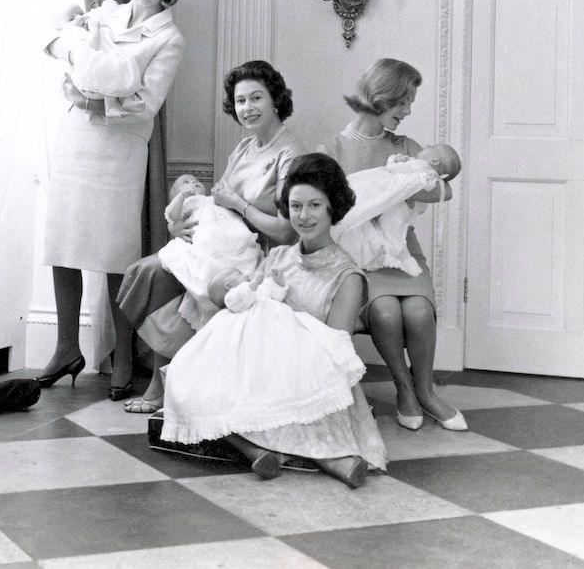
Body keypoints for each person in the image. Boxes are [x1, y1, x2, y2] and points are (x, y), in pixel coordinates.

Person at [163, 153, 386, 488]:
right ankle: (256, 450)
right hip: (264, 364)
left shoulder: (348, 276)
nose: (304, 216)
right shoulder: (279, 256)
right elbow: (249, 307)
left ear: (332, 208)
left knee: (251, 401)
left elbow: (336, 352)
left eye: (314, 205)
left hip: (314, 376)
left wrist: (280, 324)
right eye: (296, 206)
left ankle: (324, 456)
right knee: (186, 379)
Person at [39, 0, 184, 401]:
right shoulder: (105, 15)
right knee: (63, 245)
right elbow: (57, 43)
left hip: (120, 148)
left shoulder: (169, 39)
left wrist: (90, 99)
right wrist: (74, 50)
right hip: (76, 141)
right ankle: (66, 348)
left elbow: (146, 103)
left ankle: (123, 356)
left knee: (116, 256)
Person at [118, 59, 303, 413]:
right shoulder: (245, 147)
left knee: (161, 276)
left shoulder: (289, 153)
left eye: (255, 98)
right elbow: (216, 204)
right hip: (222, 244)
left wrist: (239, 204)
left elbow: (286, 230)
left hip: (259, 257)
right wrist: (179, 225)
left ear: (276, 100)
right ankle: (167, 383)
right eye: (240, 101)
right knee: (148, 271)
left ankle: (167, 386)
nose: (246, 108)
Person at [319, 58, 467, 432]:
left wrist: (401, 185)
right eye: (402, 102)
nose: (408, 110)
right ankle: (404, 390)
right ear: (380, 97)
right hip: (360, 256)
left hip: (401, 251)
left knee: (418, 312)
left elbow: (443, 188)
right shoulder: (332, 148)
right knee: (385, 312)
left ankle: (426, 393)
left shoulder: (406, 147)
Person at [335, 143, 461, 278]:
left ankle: (379, 249)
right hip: (398, 204)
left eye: (431, 147)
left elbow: (394, 170)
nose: (427, 146)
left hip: (396, 199)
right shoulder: (425, 173)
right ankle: (383, 248)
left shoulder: (421, 167)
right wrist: (397, 160)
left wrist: (395, 161)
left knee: (379, 220)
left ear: (435, 160)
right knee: (389, 228)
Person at [156, 172, 261, 329]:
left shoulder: (213, 199)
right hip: (208, 232)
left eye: (195, 180)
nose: (193, 182)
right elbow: (172, 215)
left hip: (230, 230)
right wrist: (183, 196)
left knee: (240, 243)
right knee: (208, 247)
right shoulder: (189, 202)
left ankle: (241, 278)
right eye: (185, 182)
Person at [46, 0, 147, 118]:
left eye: (81, 12)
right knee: (110, 82)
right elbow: (89, 50)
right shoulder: (71, 33)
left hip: (90, 81)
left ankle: (119, 104)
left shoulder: (84, 24)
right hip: (87, 82)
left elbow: (107, 7)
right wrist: (95, 30)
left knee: (111, 83)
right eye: (71, 19)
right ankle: (121, 103)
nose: (79, 17)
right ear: (60, 28)